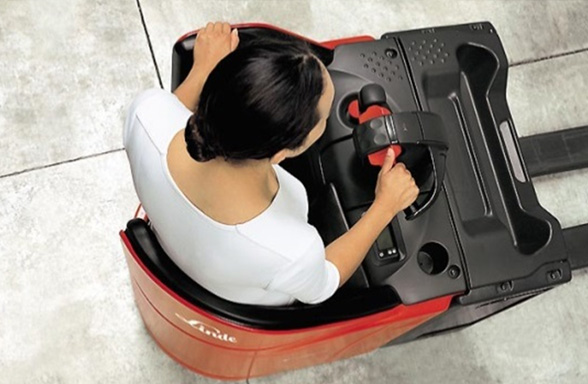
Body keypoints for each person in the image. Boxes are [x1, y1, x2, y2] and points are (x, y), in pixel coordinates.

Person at [123, 22, 418, 306]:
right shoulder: (293, 250)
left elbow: (171, 111)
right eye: (325, 117)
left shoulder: (145, 112)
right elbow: (326, 281)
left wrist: (202, 69)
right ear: (282, 153)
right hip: (252, 296)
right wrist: (385, 206)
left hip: (180, 244)